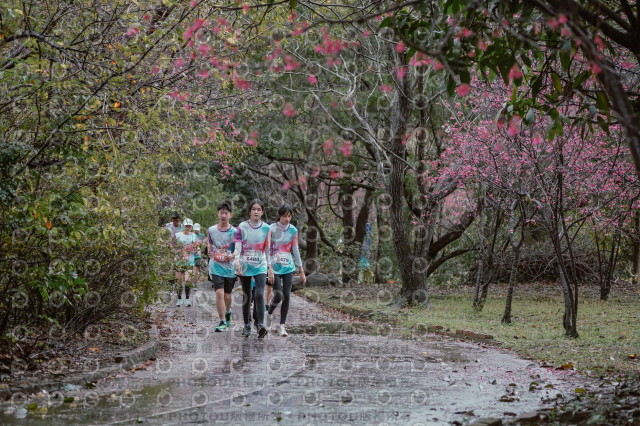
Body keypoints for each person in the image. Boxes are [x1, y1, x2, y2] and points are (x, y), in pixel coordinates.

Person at [233, 199, 273, 338]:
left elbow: (267, 248)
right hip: (245, 264)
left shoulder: (266, 228)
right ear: (250, 211)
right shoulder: (242, 226)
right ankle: (247, 325)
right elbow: (238, 244)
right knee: (247, 295)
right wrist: (236, 261)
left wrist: (269, 267)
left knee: (259, 294)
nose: (256, 212)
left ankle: (260, 325)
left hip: (260, 265)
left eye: (258, 209)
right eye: (253, 209)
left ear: (262, 212)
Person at [266, 203, 306, 336]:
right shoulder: (271, 229)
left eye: (289, 216)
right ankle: (269, 313)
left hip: (288, 266)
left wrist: (301, 269)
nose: (287, 219)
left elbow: (295, 249)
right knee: (278, 295)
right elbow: (266, 248)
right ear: (279, 216)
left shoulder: (293, 230)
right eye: (284, 216)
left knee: (287, 295)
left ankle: (282, 325)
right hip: (274, 267)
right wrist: (268, 267)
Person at [207, 201, 237, 332]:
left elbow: (239, 249)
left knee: (227, 295)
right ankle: (222, 320)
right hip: (216, 266)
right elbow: (210, 243)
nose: (223, 215)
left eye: (226, 213)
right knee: (219, 292)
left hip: (230, 268)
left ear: (230, 215)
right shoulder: (211, 230)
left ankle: (228, 311)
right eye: (221, 213)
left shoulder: (235, 232)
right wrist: (209, 251)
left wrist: (233, 255)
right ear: (217, 214)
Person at [174, 218, 198, 307]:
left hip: (189, 261)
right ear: (183, 226)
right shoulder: (177, 235)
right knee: (179, 281)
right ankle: (179, 299)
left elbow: (196, 246)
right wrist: (175, 251)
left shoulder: (193, 236)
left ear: (191, 227)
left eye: (189, 226)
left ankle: (187, 299)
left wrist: (197, 251)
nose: (188, 228)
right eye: (186, 226)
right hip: (179, 262)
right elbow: (171, 245)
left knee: (188, 280)